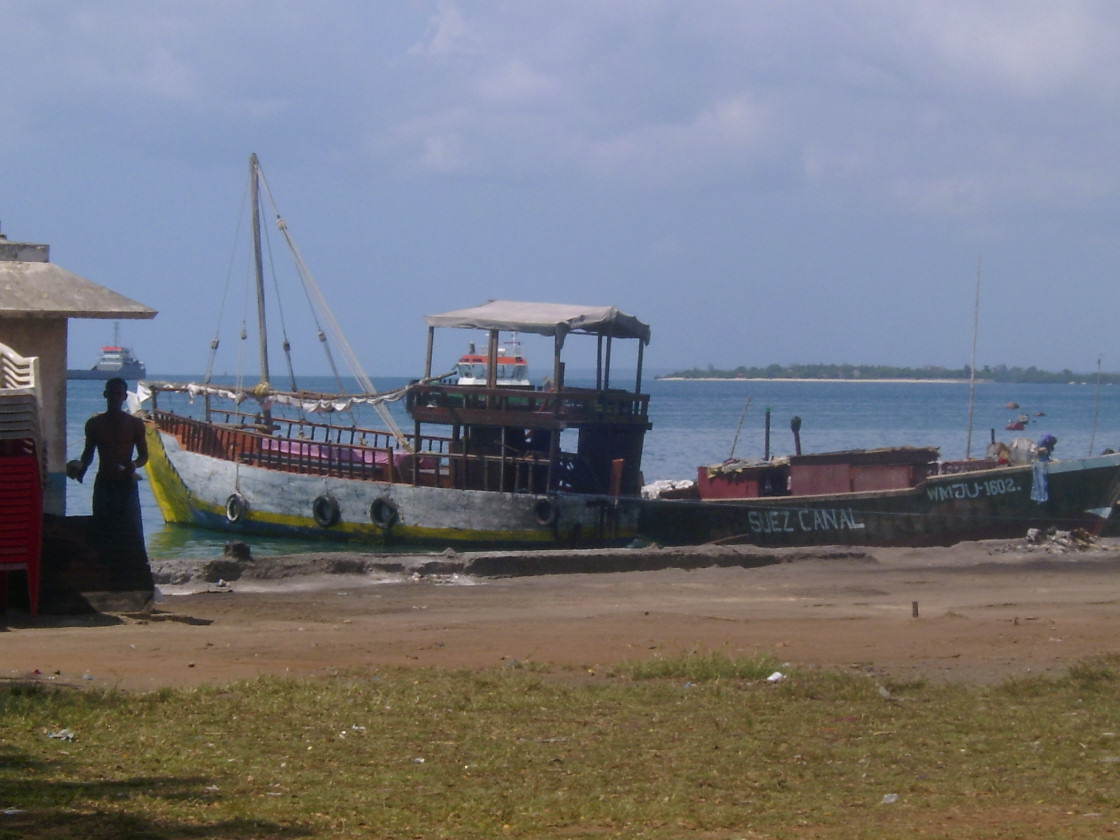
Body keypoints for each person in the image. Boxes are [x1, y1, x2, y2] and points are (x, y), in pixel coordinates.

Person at [67, 377, 148, 555]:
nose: (115, 397)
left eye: (119, 394)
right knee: (102, 531)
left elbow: (144, 456)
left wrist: (133, 465)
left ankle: (131, 571)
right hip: (104, 484)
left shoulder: (134, 424)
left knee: (131, 531)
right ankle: (105, 571)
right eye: (112, 393)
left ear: (124, 396)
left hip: (127, 485)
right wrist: (80, 468)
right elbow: (88, 454)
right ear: (105, 395)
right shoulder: (95, 424)